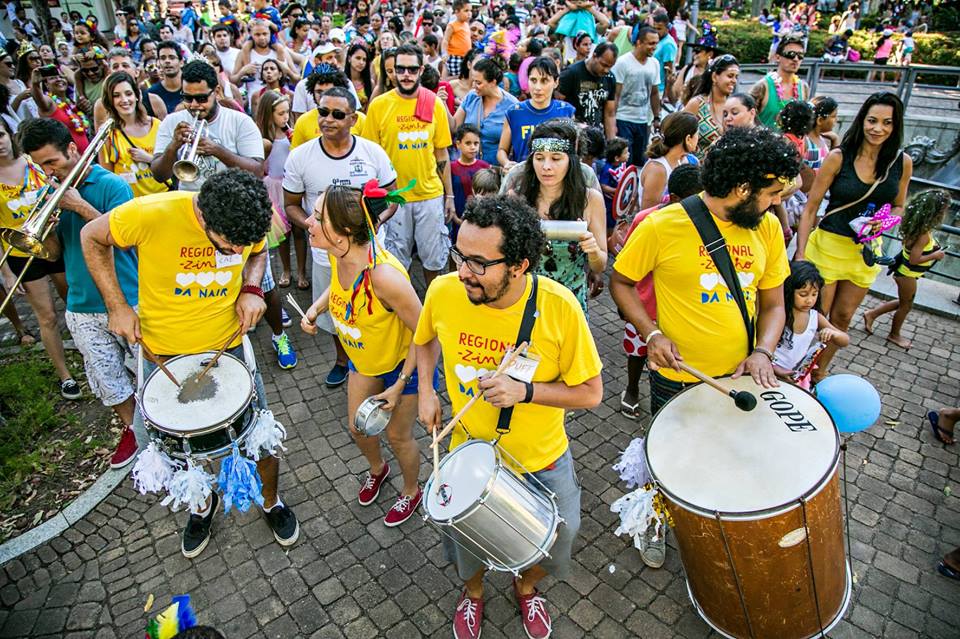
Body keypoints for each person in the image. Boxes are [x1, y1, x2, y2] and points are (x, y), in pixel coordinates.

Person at [81, 168, 300, 557]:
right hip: (161, 353)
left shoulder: (248, 224)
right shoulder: (150, 213)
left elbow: (259, 251)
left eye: (240, 247)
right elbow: (92, 236)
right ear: (202, 218)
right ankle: (201, 505)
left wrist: (251, 287)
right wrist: (116, 306)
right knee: (172, 448)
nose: (236, 253)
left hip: (228, 347)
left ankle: (271, 502)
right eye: (226, 246)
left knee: (258, 438)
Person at [610, 126, 800, 567]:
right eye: (771, 192)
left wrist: (764, 352)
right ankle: (652, 521)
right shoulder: (661, 225)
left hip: (739, 377)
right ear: (741, 187)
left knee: (721, 456)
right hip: (677, 377)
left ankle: (708, 518)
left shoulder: (767, 228)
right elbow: (620, 282)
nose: (776, 203)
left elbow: (774, 305)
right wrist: (651, 333)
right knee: (666, 457)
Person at [415, 194, 603, 639]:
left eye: (479, 263)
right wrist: (425, 390)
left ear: (518, 265)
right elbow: (424, 340)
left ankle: (527, 585)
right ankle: (474, 593)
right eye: (460, 255)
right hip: (467, 449)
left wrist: (527, 391)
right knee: (467, 547)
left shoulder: (559, 307)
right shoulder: (445, 291)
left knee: (559, 536)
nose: (463, 272)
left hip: (540, 458)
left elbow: (592, 393)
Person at [152, 60, 297, 370]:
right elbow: (158, 173)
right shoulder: (173, 123)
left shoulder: (239, 122)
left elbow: (258, 169)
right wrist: (175, 146)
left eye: (201, 98)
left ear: (216, 91)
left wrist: (218, 150)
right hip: (195, 219)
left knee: (264, 285)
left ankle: (279, 334)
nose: (194, 105)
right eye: (188, 97)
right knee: (207, 282)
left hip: (241, 216)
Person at [300, 185, 430, 526]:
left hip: (402, 369)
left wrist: (401, 384)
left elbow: (426, 334)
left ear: (344, 231)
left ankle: (411, 489)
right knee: (358, 429)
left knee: (398, 437)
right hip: (364, 362)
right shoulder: (337, 253)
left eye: (317, 217)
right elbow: (337, 287)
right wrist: (315, 309)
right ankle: (378, 469)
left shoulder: (385, 278)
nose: (308, 223)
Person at [19, 117, 140, 468]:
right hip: (81, 304)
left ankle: (159, 428)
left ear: (72, 149)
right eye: (39, 165)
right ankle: (132, 429)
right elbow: (56, 254)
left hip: (127, 295)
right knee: (107, 376)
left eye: (51, 162)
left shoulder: (112, 184)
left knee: (147, 369)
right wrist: (45, 235)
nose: (47, 172)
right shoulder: (49, 193)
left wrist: (79, 206)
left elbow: (125, 239)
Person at [284, 86, 397, 388]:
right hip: (325, 256)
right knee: (338, 309)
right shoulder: (300, 157)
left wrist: (374, 223)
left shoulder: (372, 152)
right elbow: (291, 205)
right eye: (322, 112)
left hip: (371, 253)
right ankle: (342, 360)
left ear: (353, 118)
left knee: (376, 310)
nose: (327, 119)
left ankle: (383, 360)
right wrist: (315, 226)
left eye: (337, 114)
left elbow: (393, 197)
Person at [795, 92, 912, 380]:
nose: (878, 128)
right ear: (862, 121)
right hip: (828, 246)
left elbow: (899, 204)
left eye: (887, 123)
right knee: (816, 315)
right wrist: (800, 254)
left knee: (844, 316)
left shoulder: (901, 162)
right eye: (872, 120)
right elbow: (811, 208)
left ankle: (819, 371)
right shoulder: (839, 157)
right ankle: (797, 368)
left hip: (864, 249)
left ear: (896, 127)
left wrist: (884, 222)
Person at [362, 44, 454, 288]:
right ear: (392, 72)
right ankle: (402, 313)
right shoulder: (379, 106)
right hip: (394, 199)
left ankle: (433, 309)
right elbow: (371, 157)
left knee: (434, 261)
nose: (405, 74)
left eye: (412, 69)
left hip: (430, 195)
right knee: (396, 262)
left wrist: (450, 195)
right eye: (399, 69)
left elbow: (442, 152)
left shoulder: (433, 102)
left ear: (421, 70)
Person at [0, 118, 79, 398]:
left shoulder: (35, 160)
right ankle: (65, 376)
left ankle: (87, 349)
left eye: (0, 135)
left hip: (53, 239)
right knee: (45, 316)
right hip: (22, 252)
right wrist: (7, 274)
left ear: (9, 135)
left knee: (73, 302)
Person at [616, 164, 702, 418]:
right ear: (675, 199)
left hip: (678, 308)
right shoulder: (647, 219)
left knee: (668, 356)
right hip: (644, 304)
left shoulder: (702, 223)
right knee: (637, 350)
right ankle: (631, 388)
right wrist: (625, 306)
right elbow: (625, 269)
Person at [515, 120, 607, 314]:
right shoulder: (516, 199)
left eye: (556, 158)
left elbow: (601, 263)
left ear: (571, 161)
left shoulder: (590, 200)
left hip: (569, 304)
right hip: (523, 303)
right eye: (539, 158)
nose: (546, 167)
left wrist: (592, 249)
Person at [863, 189, 948, 349]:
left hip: (905, 272)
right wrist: (935, 255)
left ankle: (871, 314)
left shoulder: (915, 227)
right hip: (907, 274)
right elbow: (914, 259)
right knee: (906, 305)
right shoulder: (923, 235)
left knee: (904, 302)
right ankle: (894, 334)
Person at [772, 260, 849, 388]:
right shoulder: (778, 313)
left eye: (814, 294)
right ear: (788, 291)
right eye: (803, 294)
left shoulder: (815, 317)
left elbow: (845, 340)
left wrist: (834, 334)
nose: (809, 300)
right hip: (769, 371)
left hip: (795, 378)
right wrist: (774, 368)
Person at [99, 72, 168, 197]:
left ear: (137, 95)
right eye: (116, 96)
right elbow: (108, 178)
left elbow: (172, 164)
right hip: (133, 204)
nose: (124, 100)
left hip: (165, 196)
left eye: (128, 93)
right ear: (110, 100)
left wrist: (148, 158)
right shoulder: (107, 134)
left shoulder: (157, 125)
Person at [497, 56, 574, 170]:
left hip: (555, 178)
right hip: (524, 177)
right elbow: (502, 150)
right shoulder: (514, 112)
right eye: (533, 80)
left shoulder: (565, 111)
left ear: (556, 82)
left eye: (544, 81)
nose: (538, 87)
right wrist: (506, 162)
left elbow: (572, 152)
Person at [256, 90, 297, 290]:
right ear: (269, 114)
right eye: (280, 114)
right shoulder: (263, 137)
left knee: (298, 229)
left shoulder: (291, 133)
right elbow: (260, 166)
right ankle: (287, 270)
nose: (285, 118)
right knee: (282, 233)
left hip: (291, 183)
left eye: (287, 112)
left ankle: (303, 271)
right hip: (273, 187)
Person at [452, 57, 517, 167]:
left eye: (478, 83)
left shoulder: (512, 106)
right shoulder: (472, 97)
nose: (474, 86)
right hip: (469, 167)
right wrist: (442, 103)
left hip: (495, 171)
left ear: (493, 82)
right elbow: (454, 127)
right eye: (473, 81)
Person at [613, 26, 661, 168]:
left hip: (643, 121)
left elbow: (654, 93)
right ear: (639, 42)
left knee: (640, 161)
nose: (654, 47)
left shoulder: (655, 64)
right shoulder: (622, 62)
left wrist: (656, 117)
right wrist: (612, 121)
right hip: (623, 119)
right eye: (651, 43)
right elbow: (616, 94)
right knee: (624, 162)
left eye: (656, 43)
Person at [290, 65, 365, 150]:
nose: (323, 96)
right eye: (319, 92)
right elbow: (296, 156)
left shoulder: (360, 119)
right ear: (312, 93)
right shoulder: (303, 121)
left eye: (329, 91)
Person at [637, 111, 698, 211]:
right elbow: (647, 212)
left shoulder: (685, 160)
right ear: (688, 139)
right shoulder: (657, 170)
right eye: (696, 135)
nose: (698, 139)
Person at [556, 42, 617, 138]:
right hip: (573, 134)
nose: (606, 70)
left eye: (610, 67)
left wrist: (611, 142)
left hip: (597, 137)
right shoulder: (571, 73)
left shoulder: (610, 78)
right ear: (594, 56)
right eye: (604, 65)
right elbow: (557, 107)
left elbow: (609, 114)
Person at [684, 54, 739, 159]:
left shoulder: (735, 105)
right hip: (698, 170)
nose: (734, 81)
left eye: (736, 77)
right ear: (714, 77)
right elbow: (679, 137)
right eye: (730, 76)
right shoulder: (697, 104)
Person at [750, 35, 810, 131]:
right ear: (778, 57)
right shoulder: (763, 86)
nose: (795, 59)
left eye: (800, 55)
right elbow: (747, 119)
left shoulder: (803, 87)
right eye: (790, 54)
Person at [29, 64, 90, 153]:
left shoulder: (71, 103)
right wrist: (35, 84)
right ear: (46, 85)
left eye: (61, 77)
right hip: (71, 160)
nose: (59, 79)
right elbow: (39, 99)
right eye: (53, 78)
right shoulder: (49, 102)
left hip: (88, 157)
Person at [450, 123, 490, 240]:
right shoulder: (452, 168)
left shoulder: (484, 166)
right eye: (468, 143)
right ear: (458, 144)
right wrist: (456, 219)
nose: (473, 147)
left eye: (476, 143)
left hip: (481, 221)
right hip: (457, 220)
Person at [145, 40, 184, 114]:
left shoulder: (192, 89)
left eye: (172, 57)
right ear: (158, 63)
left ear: (181, 62)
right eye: (163, 58)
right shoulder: (151, 93)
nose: (167, 61)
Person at [598, 136, 629, 229]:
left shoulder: (621, 165)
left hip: (618, 200)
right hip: (609, 202)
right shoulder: (607, 169)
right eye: (625, 152)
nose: (629, 154)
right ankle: (609, 238)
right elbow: (603, 186)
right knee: (609, 222)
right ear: (617, 158)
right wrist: (617, 191)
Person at [442, 0, 473, 79]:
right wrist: (444, 53)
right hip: (455, 57)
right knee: (458, 78)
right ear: (457, 12)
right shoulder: (452, 25)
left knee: (465, 77)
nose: (469, 13)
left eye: (470, 10)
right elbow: (445, 40)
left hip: (465, 57)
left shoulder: (466, 25)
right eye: (466, 10)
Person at [651, 13, 676, 97]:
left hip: (659, 90)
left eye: (659, 28)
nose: (656, 31)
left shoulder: (668, 44)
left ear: (667, 28)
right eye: (654, 28)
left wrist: (665, 95)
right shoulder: (657, 40)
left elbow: (668, 71)